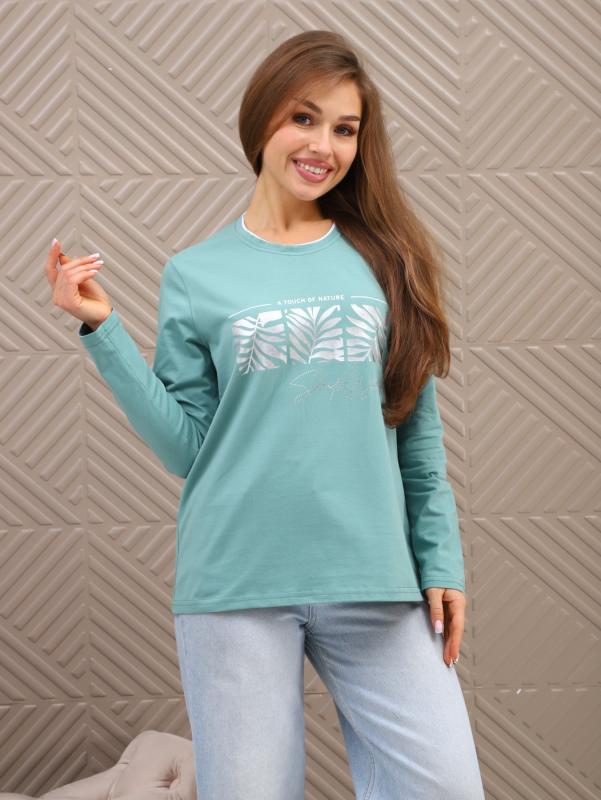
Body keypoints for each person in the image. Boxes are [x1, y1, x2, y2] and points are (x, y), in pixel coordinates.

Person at [44, 29, 485, 800]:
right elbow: (188, 448)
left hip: (374, 576)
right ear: (261, 122)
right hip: (236, 583)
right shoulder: (196, 273)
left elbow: (416, 429)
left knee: (445, 788)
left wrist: (439, 558)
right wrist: (103, 331)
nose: (323, 146)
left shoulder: (386, 259)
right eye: (303, 118)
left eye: (344, 129)